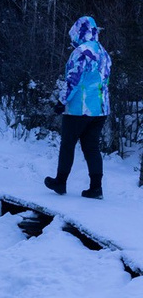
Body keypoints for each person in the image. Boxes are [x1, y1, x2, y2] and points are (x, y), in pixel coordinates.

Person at [47, 16, 112, 199]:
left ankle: (60, 182)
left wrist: (62, 101)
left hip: (79, 108)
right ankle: (96, 188)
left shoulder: (82, 51)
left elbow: (73, 80)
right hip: (100, 109)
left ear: (79, 31)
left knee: (67, 145)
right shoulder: (103, 52)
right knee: (91, 147)